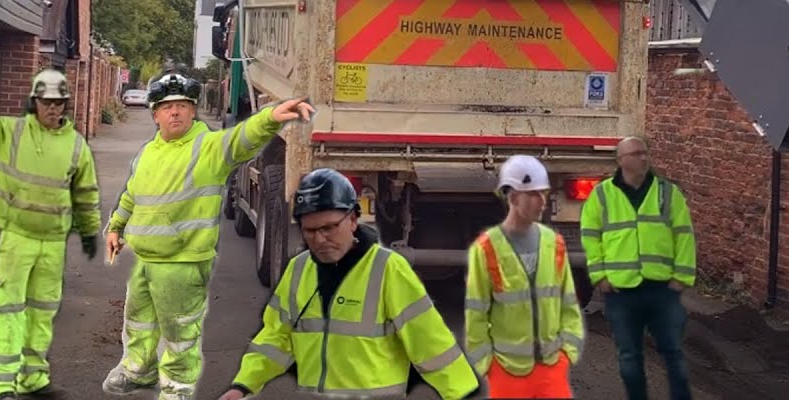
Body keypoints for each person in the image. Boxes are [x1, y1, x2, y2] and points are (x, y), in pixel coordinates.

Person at [101, 72, 314, 400]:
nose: (175, 112)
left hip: (184, 263)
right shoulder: (148, 152)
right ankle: (138, 370)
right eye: (167, 107)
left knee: (179, 333)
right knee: (139, 321)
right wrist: (115, 227)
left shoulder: (208, 147)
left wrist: (270, 118)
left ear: (192, 110)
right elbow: (132, 194)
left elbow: (241, 138)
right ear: (155, 114)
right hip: (146, 259)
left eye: (183, 105)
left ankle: (176, 389)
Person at [216, 168, 480, 400]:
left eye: (329, 228)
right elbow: (276, 337)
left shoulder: (388, 269)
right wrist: (243, 385)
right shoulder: (298, 269)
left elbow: (429, 341)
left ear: (353, 220)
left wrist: (461, 392)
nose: (320, 239)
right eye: (310, 230)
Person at [0, 51, 102, 400]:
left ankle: (33, 377)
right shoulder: (9, 132)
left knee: (43, 313)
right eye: (47, 102)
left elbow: (86, 193)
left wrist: (90, 230)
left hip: (53, 243)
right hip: (17, 239)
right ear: (34, 102)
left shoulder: (77, 146)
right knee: (9, 310)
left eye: (59, 103)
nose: (53, 109)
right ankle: (1, 385)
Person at [580, 135, 696, 400]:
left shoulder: (668, 192)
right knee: (630, 357)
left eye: (645, 153)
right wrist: (599, 276)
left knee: (674, 353)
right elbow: (590, 235)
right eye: (635, 154)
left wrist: (681, 276)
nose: (643, 158)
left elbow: (684, 234)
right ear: (620, 160)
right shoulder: (602, 194)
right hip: (621, 289)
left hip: (662, 287)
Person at [464, 154, 584, 399]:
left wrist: (568, 353)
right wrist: (487, 365)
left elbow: (569, 303)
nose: (542, 202)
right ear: (513, 197)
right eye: (533, 194)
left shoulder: (554, 243)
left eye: (544, 193)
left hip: (552, 369)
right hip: (506, 373)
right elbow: (476, 314)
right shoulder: (486, 248)